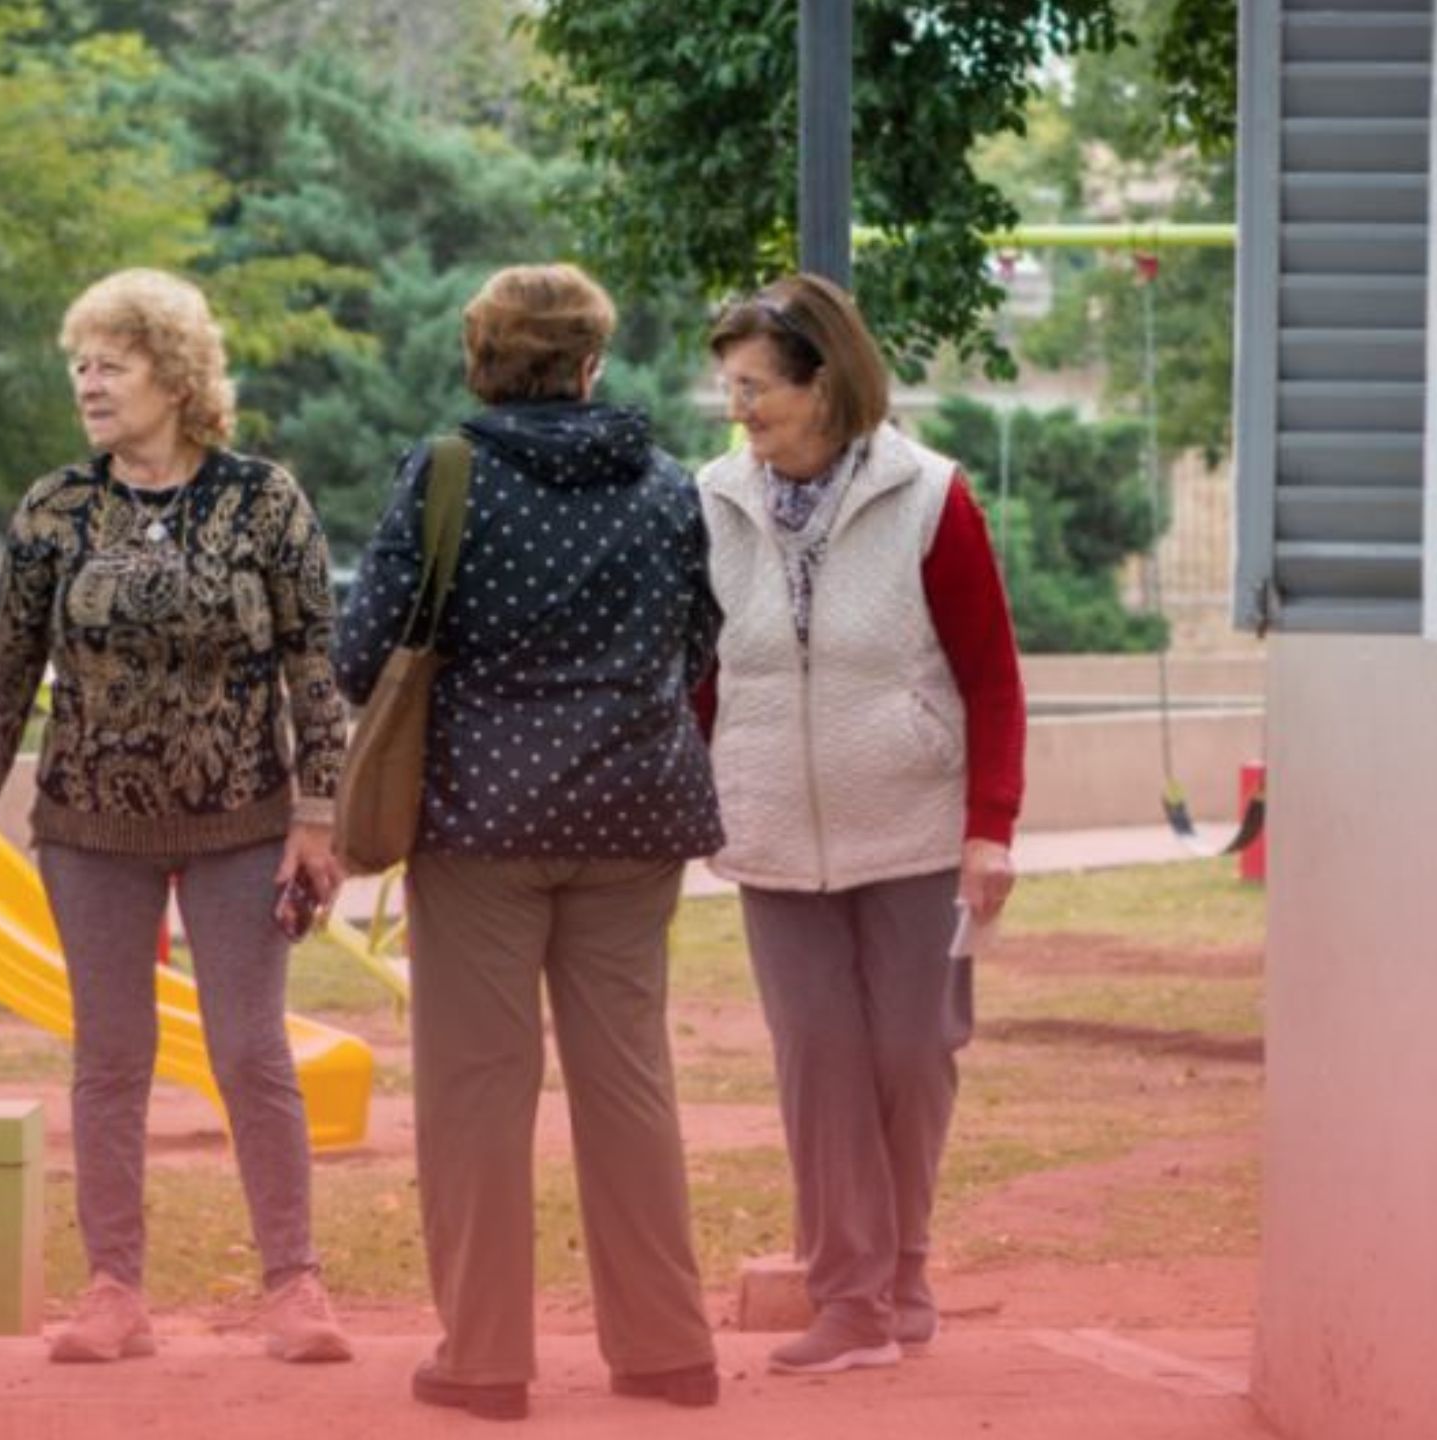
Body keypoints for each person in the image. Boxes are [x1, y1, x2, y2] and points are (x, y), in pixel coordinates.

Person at [0, 268, 352, 1366]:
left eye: (111, 362)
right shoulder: (53, 509)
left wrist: (319, 813)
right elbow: (7, 668)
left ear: (174, 375)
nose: (89, 381)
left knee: (249, 1051)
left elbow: (316, 663)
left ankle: (294, 1284)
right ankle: (113, 1289)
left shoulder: (265, 500)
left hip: (242, 821)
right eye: (80, 362)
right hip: (87, 825)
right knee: (109, 1057)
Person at [336, 263, 725, 1422]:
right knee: (629, 1081)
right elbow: (701, 640)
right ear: (592, 360)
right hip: (633, 815)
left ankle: (486, 1360)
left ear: (481, 357)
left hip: (482, 821)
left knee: (474, 1092)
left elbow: (365, 654)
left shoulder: (447, 475)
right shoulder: (667, 487)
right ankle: (665, 1353)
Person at [696, 273, 1026, 1375]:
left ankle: (904, 1271)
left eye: (755, 388)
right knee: (819, 1058)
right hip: (773, 830)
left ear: (823, 382)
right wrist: (699, 789)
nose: (737, 410)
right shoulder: (713, 500)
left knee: (911, 1054)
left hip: (915, 828)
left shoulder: (931, 496)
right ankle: (849, 1299)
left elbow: (990, 675)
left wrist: (991, 826)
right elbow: (699, 677)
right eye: (729, 389)